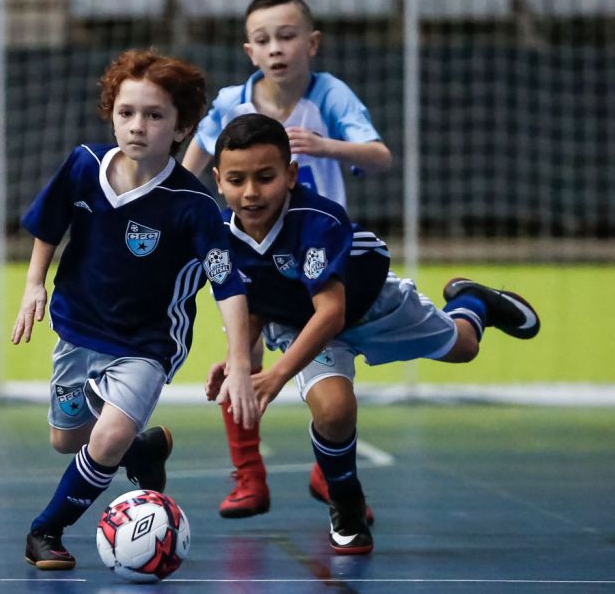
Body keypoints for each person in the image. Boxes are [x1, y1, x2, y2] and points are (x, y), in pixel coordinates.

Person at [206, 114, 540, 554]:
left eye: (265, 177)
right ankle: (346, 503)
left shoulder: (317, 220)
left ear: (290, 176)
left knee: (465, 348)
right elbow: (251, 307)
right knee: (333, 409)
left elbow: (331, 310)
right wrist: (237, 362)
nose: (250, 192)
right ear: (218, 181)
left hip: (371, 305)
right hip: (301, 327)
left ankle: (473, 301)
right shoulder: (219, 240)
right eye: (237, 179)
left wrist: (278, 375)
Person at [12, 49, 259, 570]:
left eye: (154, 115)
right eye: (126, 113)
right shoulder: (84, 165)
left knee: (109, 434)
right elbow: (49, 224)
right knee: (67, 440)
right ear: (111, 112)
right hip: (77, 330)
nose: (138, 126)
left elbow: (228, 286)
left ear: (182, 127)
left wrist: (239, 361)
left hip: (146, 344)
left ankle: (46, 531)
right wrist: (35, 283)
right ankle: (142, 453)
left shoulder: (193, 207)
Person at [182, 0, 392, 520]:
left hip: (315, 255)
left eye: (287, 35)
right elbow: (189, 174)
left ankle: (328, 469)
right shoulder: (231, 102)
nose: (276, 47)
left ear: (312, 43)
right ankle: (249, 477)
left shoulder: (331, 97)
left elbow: (380, 156)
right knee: (241, 355)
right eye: (263, 39)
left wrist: (326, 146)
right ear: (249, 51)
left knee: (331, 371)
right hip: (251, 250)